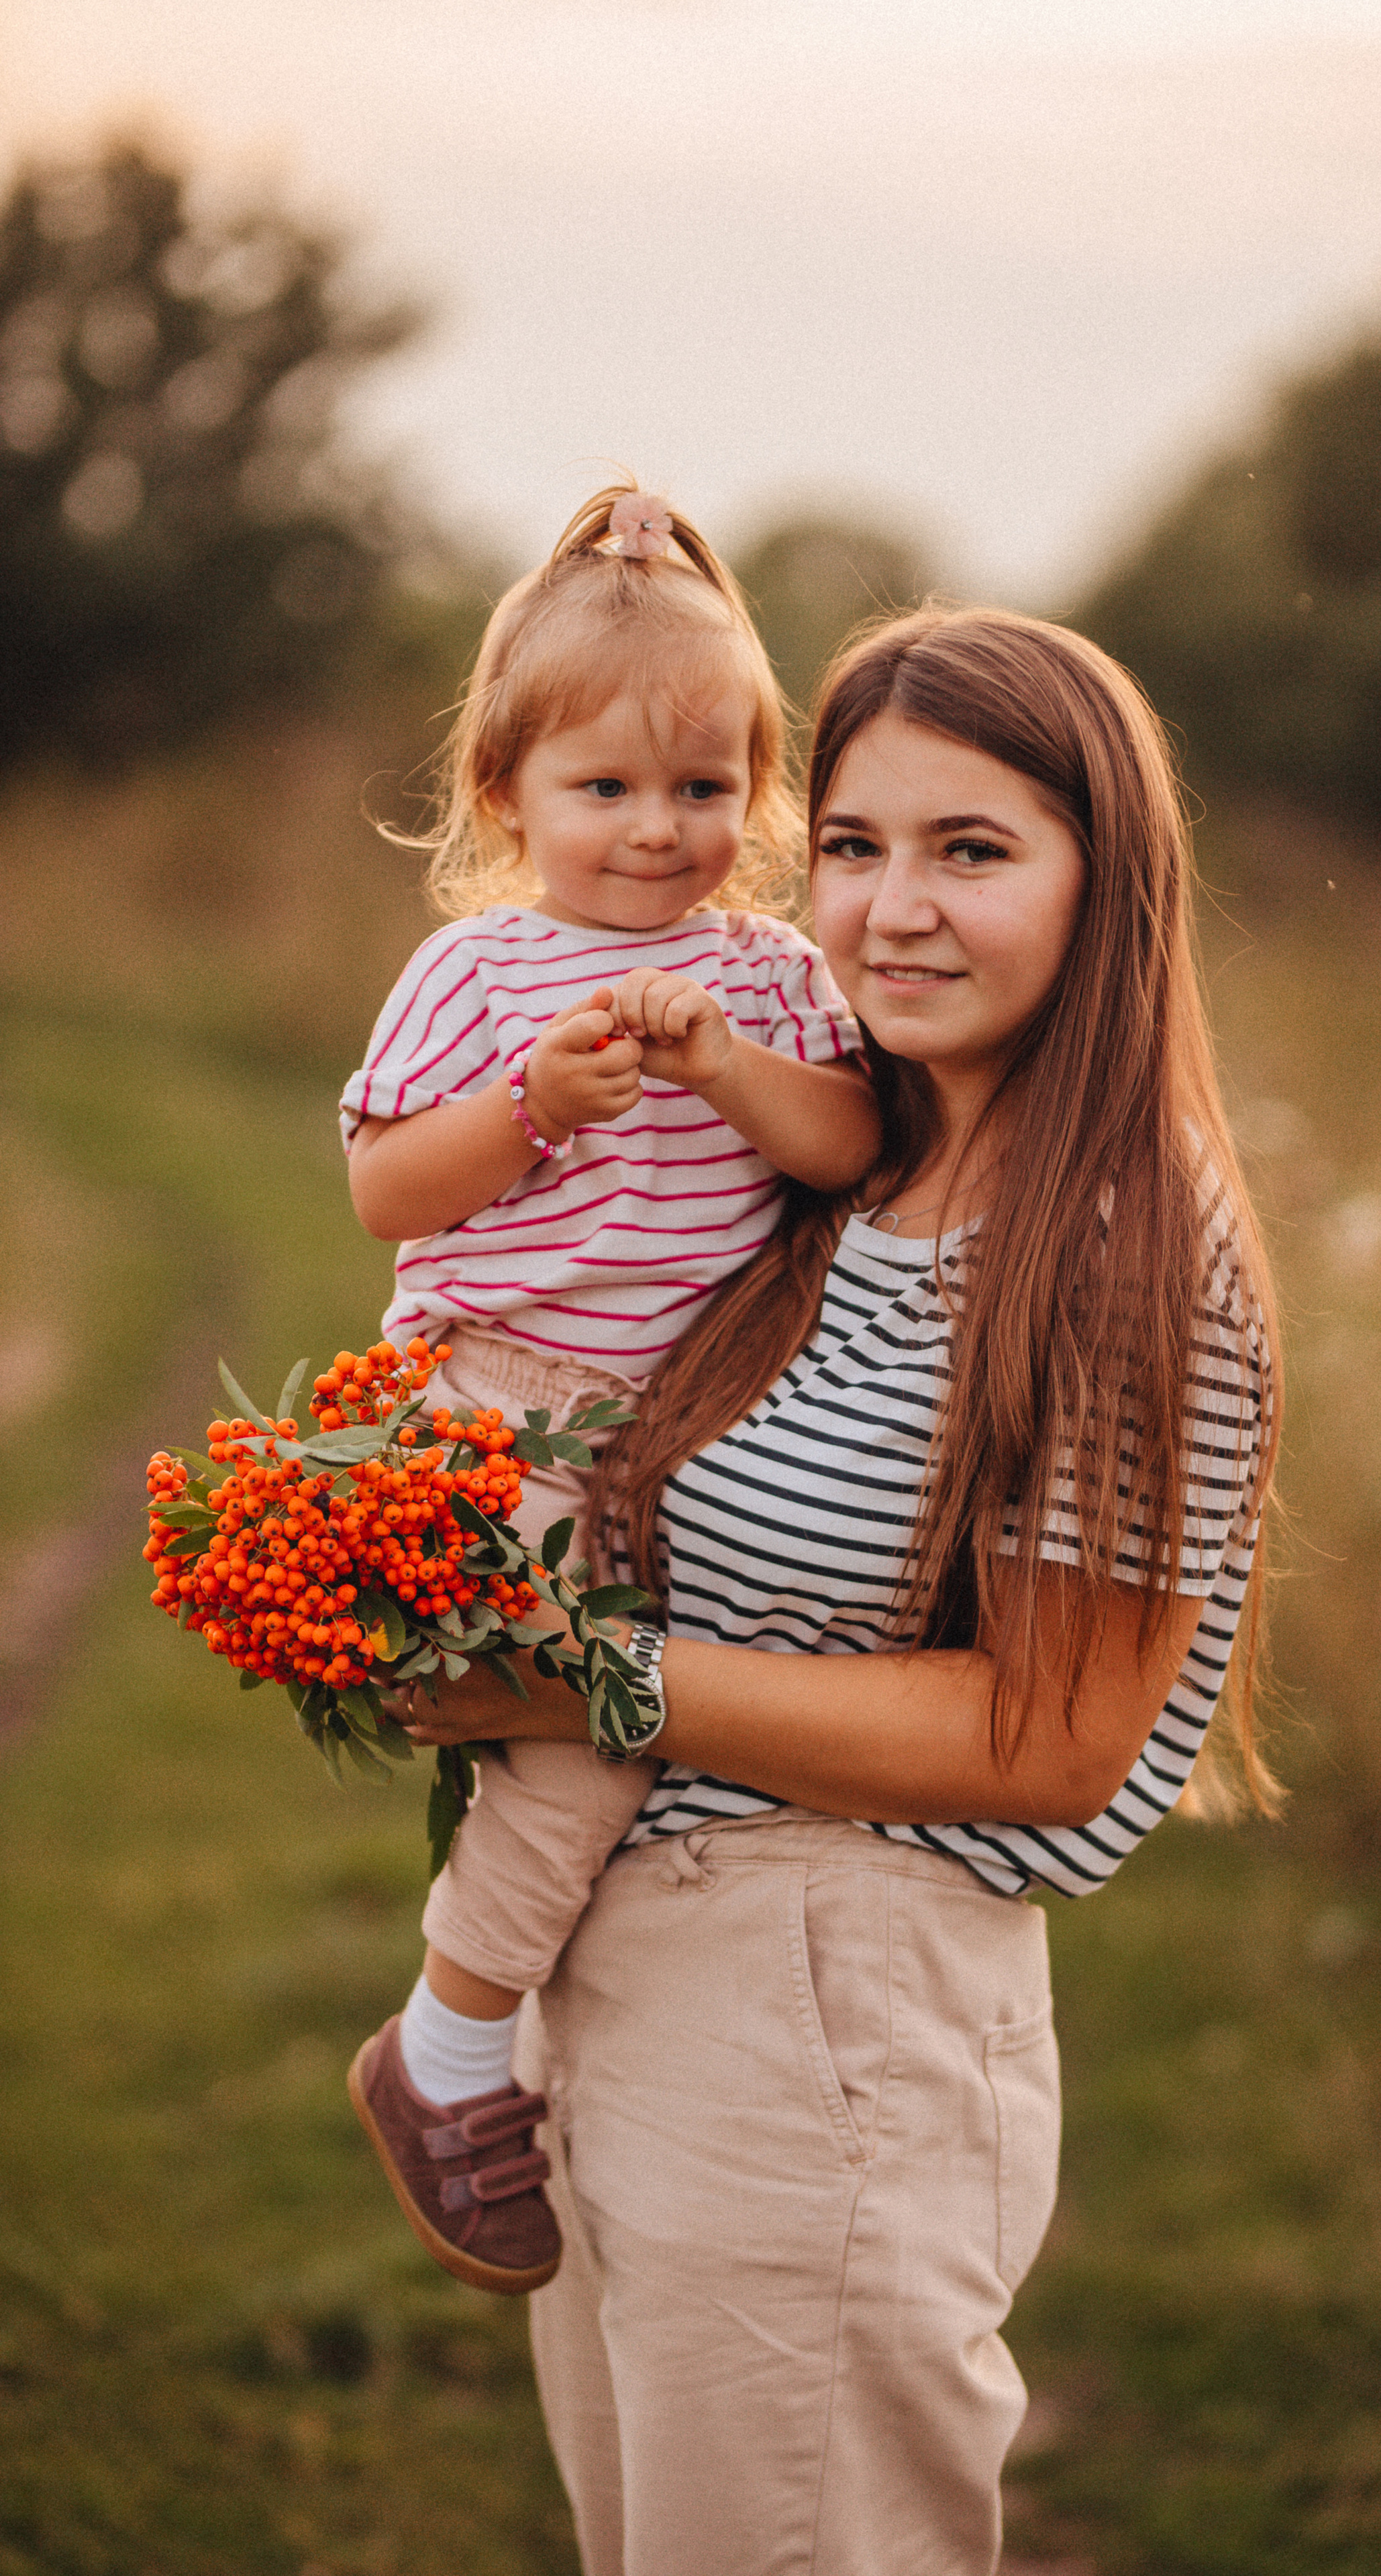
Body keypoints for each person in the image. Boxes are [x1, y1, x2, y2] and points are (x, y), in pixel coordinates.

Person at [390, 605, 1281, 2576]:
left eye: (975, 851)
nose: (891, 909)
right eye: (857, 846)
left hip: (829, 2012)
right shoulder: (846, 1164)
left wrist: (587, 1690)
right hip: (622, 1990)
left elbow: (1051, 1738)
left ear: (1106, 884)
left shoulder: (1126, 1242)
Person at [339, 484, 880, 2295]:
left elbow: (844, 1147)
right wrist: (529, 1115)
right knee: (592, 1729)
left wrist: (723, 1060)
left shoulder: (771, 976)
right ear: (508, 794)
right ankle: (446, 2046)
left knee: (666, 1720)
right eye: (607, 790)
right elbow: (385, 1191)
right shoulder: (479, 968)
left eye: (706, 791)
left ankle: (565, 2030)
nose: (660, 835)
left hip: (683, 1423)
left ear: (759, 795)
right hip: (501, 1401)